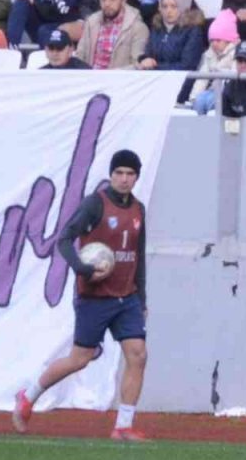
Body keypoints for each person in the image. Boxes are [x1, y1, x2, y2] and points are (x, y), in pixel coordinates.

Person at [12, 150, 150, 441]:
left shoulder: (138, 209)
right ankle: (28, 396)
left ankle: (123, 426)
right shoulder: (95, 204)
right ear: (111, 175)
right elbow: (64, 239)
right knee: (79, 359)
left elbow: (138, 255)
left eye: (130, 174)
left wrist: (143, 298)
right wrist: (82, 268)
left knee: (138, 354)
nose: (124, 179)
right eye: (119, 173)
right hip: (95, 297)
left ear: (136, 177)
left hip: (127, 297)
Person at [77, 0, 150, 68]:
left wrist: (111, 75)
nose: (107, 3)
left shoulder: (138, 28)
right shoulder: (91, 22)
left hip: (120, 76)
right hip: (89, 75)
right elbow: (80, 56)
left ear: (123, 0)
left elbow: (138, 64)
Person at [137, 0, 205, 70]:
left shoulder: (193, 31)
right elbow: (149, 52)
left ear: (183, 7)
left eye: (173, 6)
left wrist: (156, 67)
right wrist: (145, 60)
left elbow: (187, 65)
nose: (168, 11)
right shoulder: (157, 26)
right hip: (154, 75)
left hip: (181, 77)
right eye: (164, 6)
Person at [182, 9, 238, 113]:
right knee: (200, 100)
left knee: (212, 101)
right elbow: (202, 78)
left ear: (228, 40)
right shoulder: (209, 55)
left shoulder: (235, 54)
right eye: (212, 40)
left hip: (230, 94)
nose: (214, 44)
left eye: (218, 40)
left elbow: (234, 76)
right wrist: (193, 98)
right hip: (213, 90)